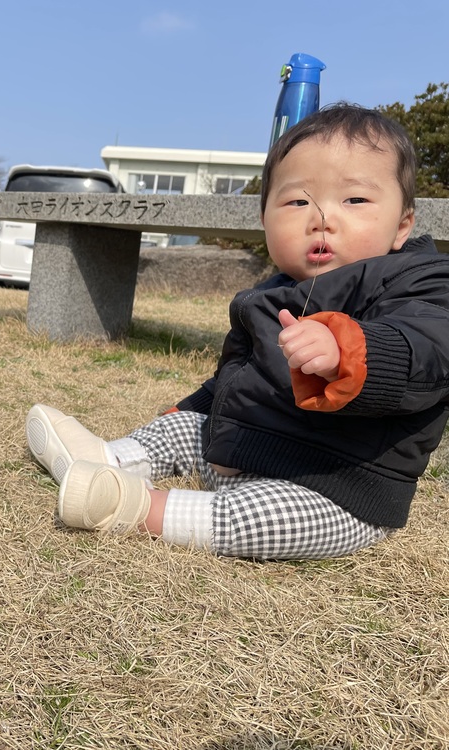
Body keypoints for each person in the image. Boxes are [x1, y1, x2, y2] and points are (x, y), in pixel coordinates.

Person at [26, 102, 449, 560]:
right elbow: (234, 380)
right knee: (191, 428)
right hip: (244, 453)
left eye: (355, 200)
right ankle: (108, 458)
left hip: (335, 483)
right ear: (264, 218)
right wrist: (183, 411)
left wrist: (348, 351)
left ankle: (138, 507)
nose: (322, 216)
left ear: (402, 224)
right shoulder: (271, 294)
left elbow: (427, 349)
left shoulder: (418, 281)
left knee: (266, 516)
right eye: (297, 201)